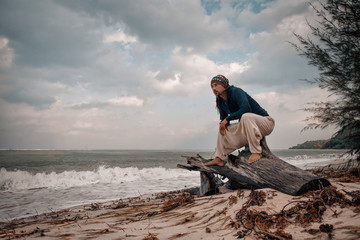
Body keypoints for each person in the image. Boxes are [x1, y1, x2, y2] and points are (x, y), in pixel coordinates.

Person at [205, 74, 275, 166]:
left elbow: (246, 109)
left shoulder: (236, 91)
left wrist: (227, 119)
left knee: (246, 116)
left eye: (216, 85)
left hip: (266, 123)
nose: (214, 88)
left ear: (224, 84)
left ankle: (256, 152)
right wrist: (223, 124)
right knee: (223, 128)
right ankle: (220, 158)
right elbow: (224, 119)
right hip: (248, 128)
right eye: (212, 86)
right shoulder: (220, 101)